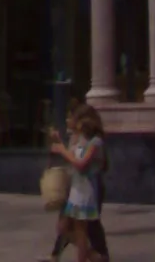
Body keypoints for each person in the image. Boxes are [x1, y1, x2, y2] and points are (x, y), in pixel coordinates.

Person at [49, 105, 107, 262]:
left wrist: (63, 150)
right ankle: (94, 256)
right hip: (76, 188)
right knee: (68, 227)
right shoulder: (81, 139)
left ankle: (94, 256)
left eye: (76, 120)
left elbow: (81, 164)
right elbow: (73, 158)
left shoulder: (95, 142)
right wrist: (61, 143)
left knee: (83, 228)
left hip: (87, 189)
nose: (73, 122)